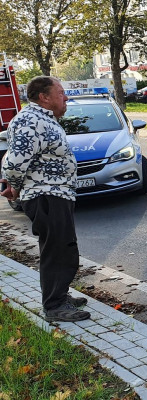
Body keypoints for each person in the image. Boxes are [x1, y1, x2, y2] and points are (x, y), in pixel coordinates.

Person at [0, 76, 90, 322]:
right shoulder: (31, 120)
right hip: (46, 195)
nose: (66, 97)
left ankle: (58, 294)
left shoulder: (42, 120)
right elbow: (15, 161)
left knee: (62, 247)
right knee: (58, 250)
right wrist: (13, 187)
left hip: (55, 195)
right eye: (61, 93)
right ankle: (54, 306)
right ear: (44, 97)